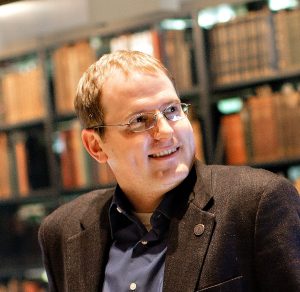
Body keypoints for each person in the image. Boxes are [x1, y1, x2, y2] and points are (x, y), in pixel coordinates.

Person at [38, 50, 300, 292]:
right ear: (95, 146)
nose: (165, 131)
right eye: (139, 120)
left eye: (172, 110)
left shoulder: (257, 203)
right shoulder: (62, 231)